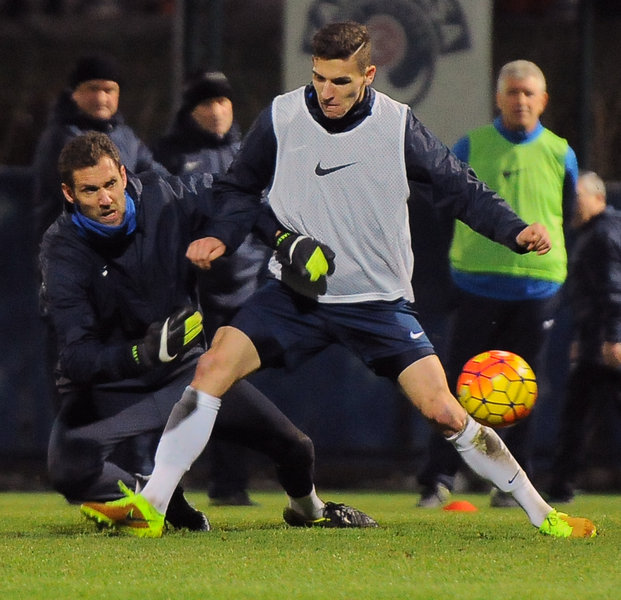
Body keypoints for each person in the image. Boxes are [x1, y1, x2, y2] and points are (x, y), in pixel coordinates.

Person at [81, 22, 595, 539]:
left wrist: (513, 230)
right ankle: (152, 506)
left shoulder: (397, 124)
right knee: (212, 365)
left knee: (445, 412)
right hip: (294, 294)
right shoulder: (282, 115)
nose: (327, 92)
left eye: (341, 82)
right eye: (319, 78)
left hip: (378, 303)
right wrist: (222, 235)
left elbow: (460, 188)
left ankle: (543, 514)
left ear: (368, 75)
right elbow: (238, 188)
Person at [41, 131, 377, 535]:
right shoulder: (62, 251)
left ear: (124, 176)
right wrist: (140, 354)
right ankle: (155, 498)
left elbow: (236, 197)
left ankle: (309, 509)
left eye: (110, 183)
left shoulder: (166, 197)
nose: (105, 198)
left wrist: (284, 239)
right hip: (110, 386)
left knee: (296, 448)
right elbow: (75, 357)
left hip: (185, 374)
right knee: (70, 470)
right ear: (69, 193)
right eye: (90, 190)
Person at [416, 59, 577, 509]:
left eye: (529, 93)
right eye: (512, 92)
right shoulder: (471, 145)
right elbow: (443, 207)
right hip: (476, 285)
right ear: (498, 97)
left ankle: (511, 486)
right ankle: (437, 479)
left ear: (543, 100)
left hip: (537, 289)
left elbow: (566, 213)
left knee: (523, 390)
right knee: (455, 385)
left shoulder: (561, 152)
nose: (520, 100)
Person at [153, 71, 271, 506]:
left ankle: (230, 484)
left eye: (223, 101)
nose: (217, 110)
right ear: (190, 110)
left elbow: (265, 218)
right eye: (206, 102)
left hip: (244, 295)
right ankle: (164, 485)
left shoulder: (248, 154)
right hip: (190, 297)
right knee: (179, 392)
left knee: (234, 393)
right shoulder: (168, 156)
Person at [32, 53, 168, 244]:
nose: (101, 98)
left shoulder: (126, 136)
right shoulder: (62, 137)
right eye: (93, 89)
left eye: (108, 90)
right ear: (74, 93)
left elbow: (158, 177)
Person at [545, 171, 621, 502]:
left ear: (599, 198)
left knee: (575, 417)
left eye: (578, 197)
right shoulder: (592, 233)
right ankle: (560, 486)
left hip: (607, 344)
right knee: (574, 415)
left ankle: (561, 485)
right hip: (595, 341)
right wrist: (583, 336)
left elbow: (614, 290)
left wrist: (614, 338)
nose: (572, 204)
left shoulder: (603, 233)